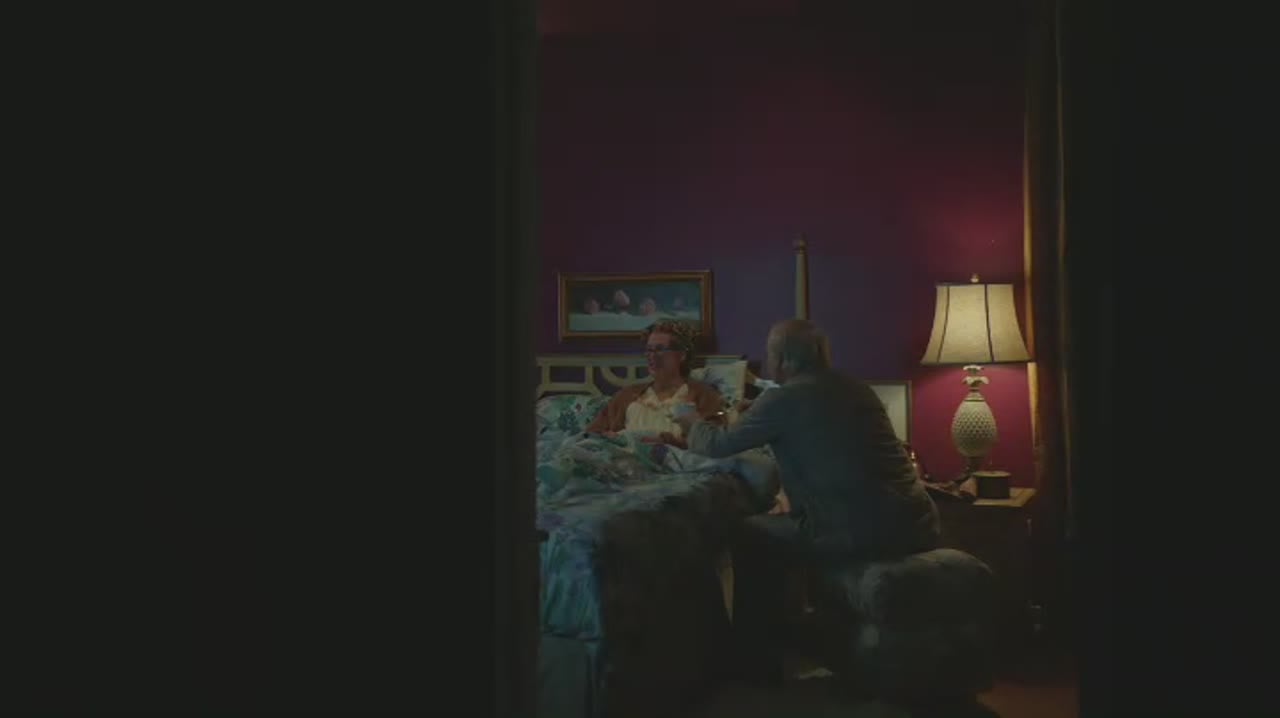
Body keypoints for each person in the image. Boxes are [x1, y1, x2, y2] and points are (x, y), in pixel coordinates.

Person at [673, 319, 941, 685]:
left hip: (855, 531)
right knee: (780, 526)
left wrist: (691, 421)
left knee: (747, 534)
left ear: (783, 359)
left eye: (769, 355)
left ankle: (756, 661)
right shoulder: (856, 389)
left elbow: (717, 445)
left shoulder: (782, 399)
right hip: (916, 522)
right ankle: (801, 636)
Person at [584, 320, 724, 448]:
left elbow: (714, 443)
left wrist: (669, 442)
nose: (652, 355)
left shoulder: (705, 396)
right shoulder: (626, 395)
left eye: (660, 349)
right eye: (649, 350)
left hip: (674, 461)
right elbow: (593, 433)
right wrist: (610, 438)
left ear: (682, 355)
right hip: (626, 461)